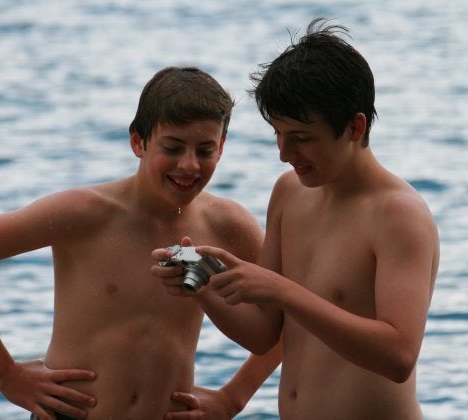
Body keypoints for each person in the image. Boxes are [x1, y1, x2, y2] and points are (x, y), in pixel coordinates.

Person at [0, 66, 281, 420]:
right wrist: (5, 374)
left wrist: (234, 397)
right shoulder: (83, 213)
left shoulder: (227, 225)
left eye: (204, 150)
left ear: (221, 147)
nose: (188, 165)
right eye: (172, 148)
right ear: (138, 141)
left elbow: (290, 313)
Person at [153, 19, 439, 419]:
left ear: (354, 127)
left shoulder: (398, 215)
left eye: (302, 138)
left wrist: (281, 290)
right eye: (278, 134)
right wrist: (201, 284)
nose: (285, 153)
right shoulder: (289, 193)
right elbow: (264, 332)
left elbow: (398, 356)